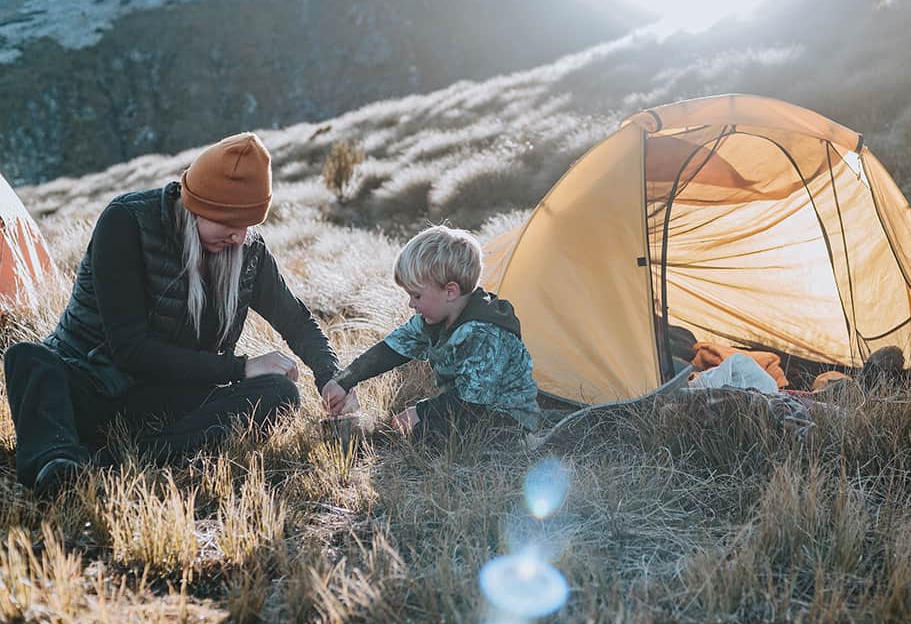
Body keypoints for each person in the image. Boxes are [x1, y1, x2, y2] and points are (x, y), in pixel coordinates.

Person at [4, 132, 350, 495]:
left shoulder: (249, 252)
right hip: (92, 386)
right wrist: (239, 368)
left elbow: (297, 322)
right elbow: (130, 349)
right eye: (228, 221)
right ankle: (56, 464)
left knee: (280, 393)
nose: (238, 236)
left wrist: (332, 377)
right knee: (27, 359)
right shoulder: (127, 222)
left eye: (248, 224)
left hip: (173, 400)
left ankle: (109, 465)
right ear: (197, 204)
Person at [324, 225, 540, 440]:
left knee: (425, 437)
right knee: (418, 432)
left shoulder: (484, 333)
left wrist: (421, 412)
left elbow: (473, 402)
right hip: (464, 408)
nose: (411, 304)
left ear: (450, 292)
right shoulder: (432, 321)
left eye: (416, 296)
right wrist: (344, 380)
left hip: (505, 418)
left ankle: (525, 444)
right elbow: (391, 349)